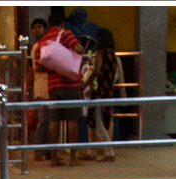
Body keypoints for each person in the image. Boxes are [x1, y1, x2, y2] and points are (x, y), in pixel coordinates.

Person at [35, 8, 84, 167]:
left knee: (54, 120)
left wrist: (54, 65)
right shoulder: (66, 34)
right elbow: (79, 49)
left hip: (53, 86)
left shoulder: (43, 41)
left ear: (48, 24)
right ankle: (73, 158)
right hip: (70, 84)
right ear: (62, 23)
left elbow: (39, 67)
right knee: (72, 119)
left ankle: (54, 158)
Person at [82, 28, 118, 162]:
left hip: (99, 92)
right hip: (108, 91)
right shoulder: (113, 55)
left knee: (98, 123)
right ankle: (91, 152)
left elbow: (96, 71)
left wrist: (87, 83)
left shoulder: (100, 54)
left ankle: (109, 152)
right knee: (95, 122)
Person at [26, 17, 50, 161]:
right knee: (43, 120)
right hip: (40, 87)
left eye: (39, 27)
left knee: (47, 120)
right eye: (34, 27)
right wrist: (27, 88)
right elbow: (30, 69)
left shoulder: (46, 45)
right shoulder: (35, 47)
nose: (36, 30)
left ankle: (46, 150)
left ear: (45, 29)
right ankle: (39, 151)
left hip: (47, 86)